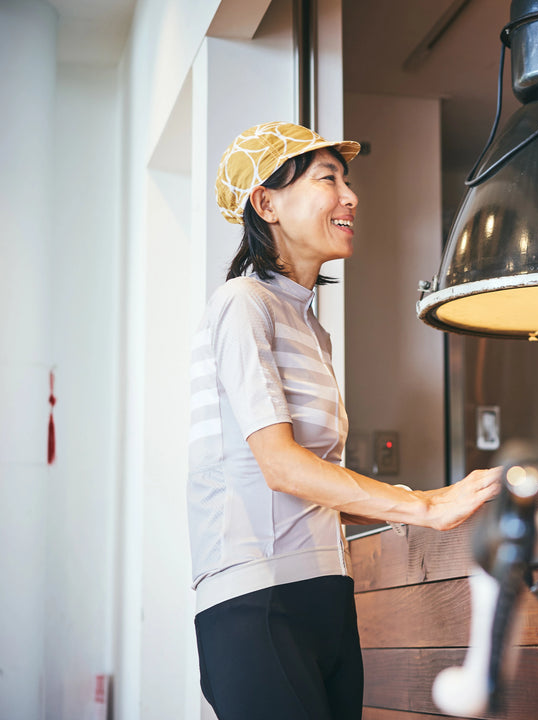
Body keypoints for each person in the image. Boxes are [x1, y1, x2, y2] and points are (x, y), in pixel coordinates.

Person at [187, 121, 501, 720]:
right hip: (258, 597)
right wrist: (425, 507)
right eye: (328, 178)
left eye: (347, 180)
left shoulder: (310, 327)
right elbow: (280, 467)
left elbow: (316, 481)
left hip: (326, 588)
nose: (350, 196)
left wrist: (426, 501)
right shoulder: (242, 305)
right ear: (267, 202)